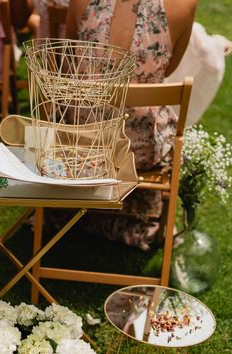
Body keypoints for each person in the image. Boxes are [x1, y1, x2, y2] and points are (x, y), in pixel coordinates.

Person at [65, 0, 196, 250]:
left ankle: (75, 207)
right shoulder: (184, 4)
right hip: (138, 154)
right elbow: (166, 70)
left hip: (80, 144)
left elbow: (70, 57)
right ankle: (136, 213)